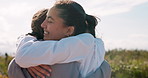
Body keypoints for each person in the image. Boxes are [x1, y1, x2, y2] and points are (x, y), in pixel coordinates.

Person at [9, 0, 111, 78]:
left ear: (69, 30)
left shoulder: (83, 44)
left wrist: (31, 58)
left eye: (50, 21)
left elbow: (23, 56)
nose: (43, 25)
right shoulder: (96, 48)